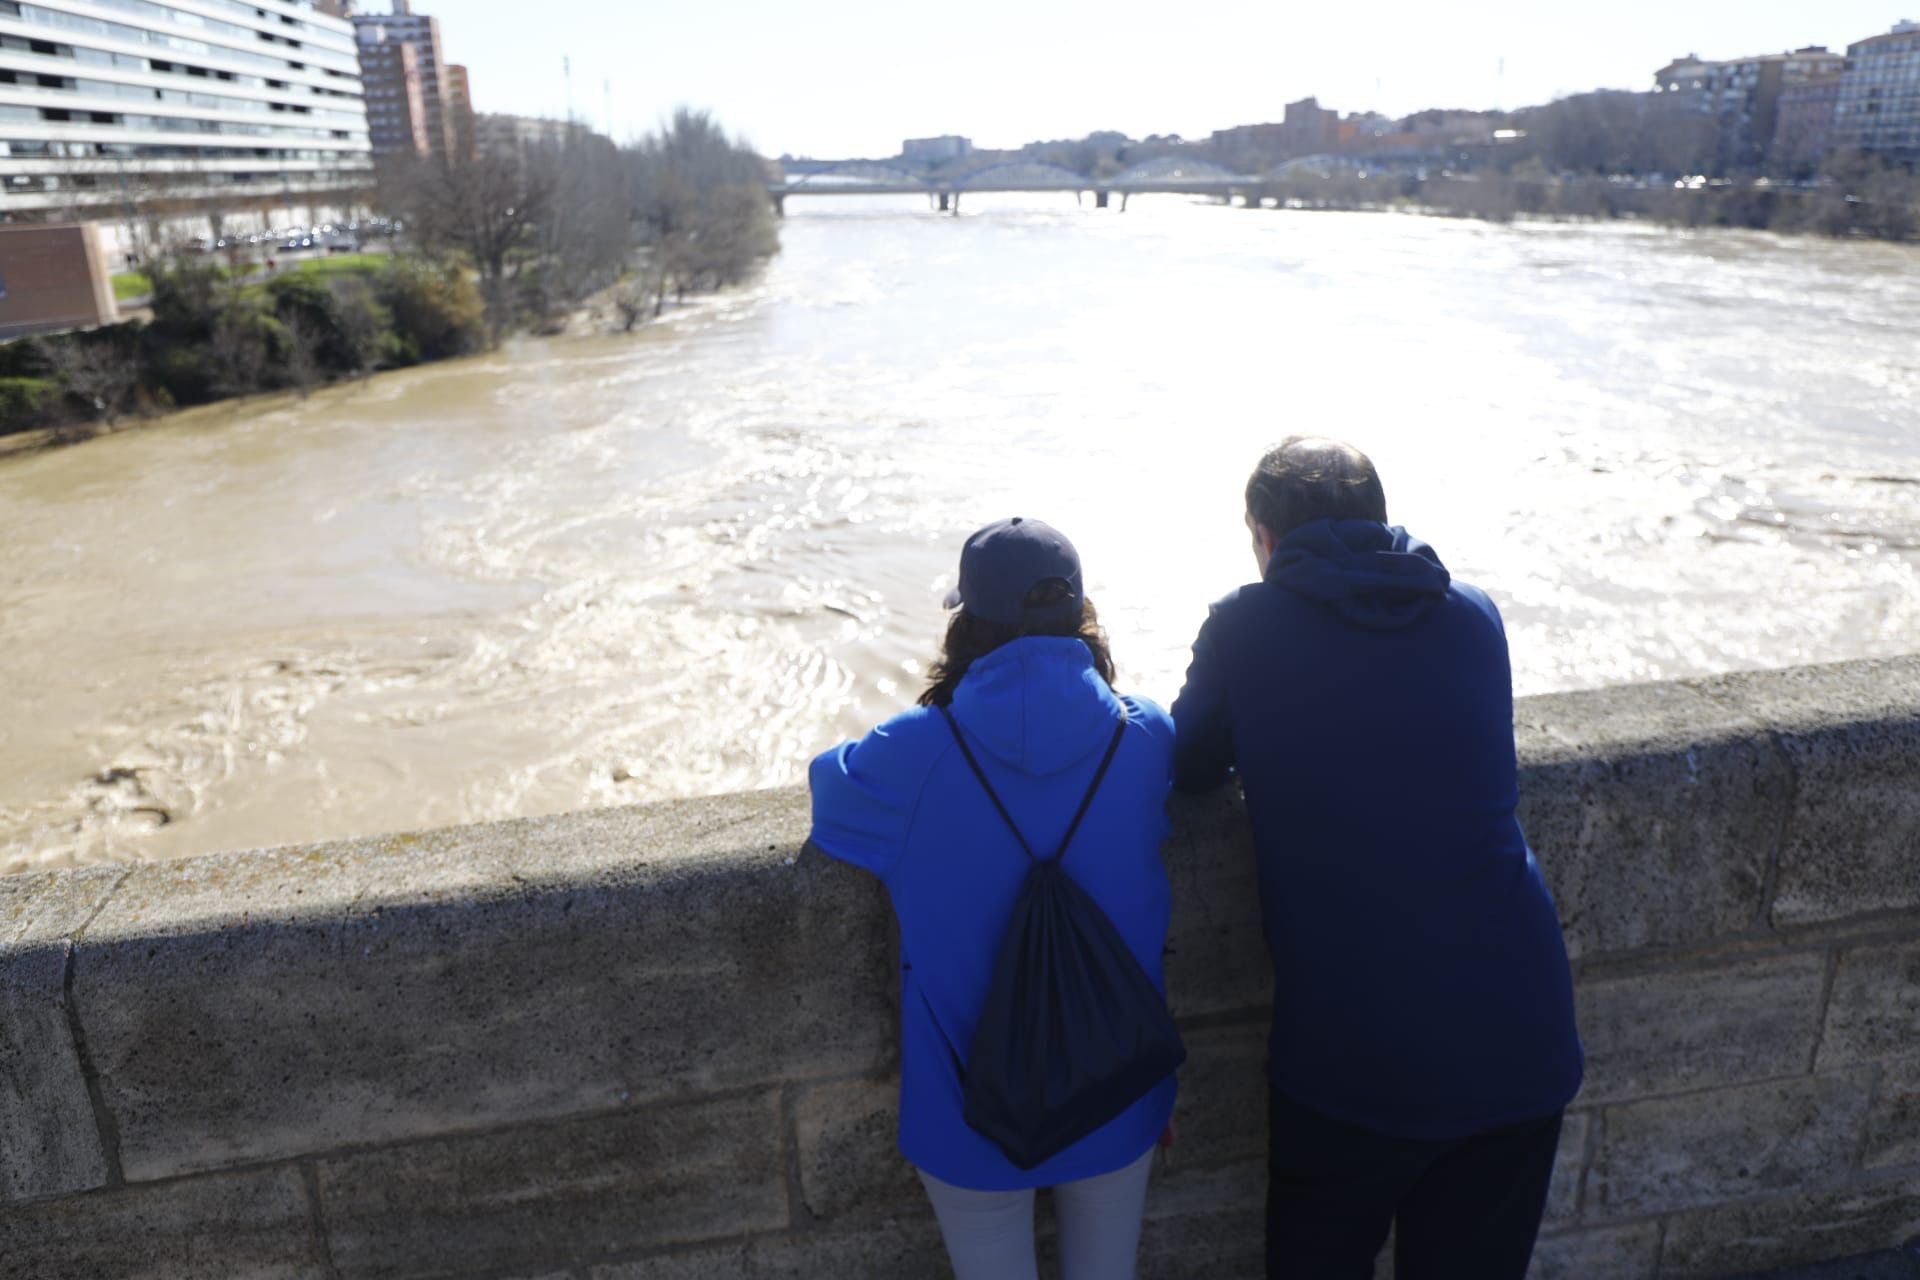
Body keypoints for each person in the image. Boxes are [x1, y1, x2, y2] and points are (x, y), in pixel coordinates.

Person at [1170, 438, 1584, 1280]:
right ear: (1382, 522)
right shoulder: (1473, 614)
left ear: (1263, 536)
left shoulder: (1245, 625)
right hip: (1520, 1036)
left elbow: (1190, 762)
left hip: (1358, 1059)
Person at [808, 516, 1178, 1280]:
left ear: (967, 622)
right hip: (1118, 1086)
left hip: (965, 1109)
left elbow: (827, 790)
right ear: (1080, 615)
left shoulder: (911, 758)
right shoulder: (1144, 739)